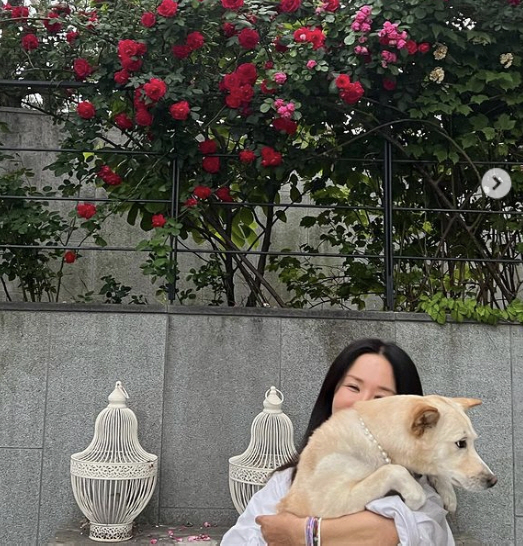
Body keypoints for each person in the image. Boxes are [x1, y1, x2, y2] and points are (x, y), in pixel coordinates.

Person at [221, 338, 455, 546]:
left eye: (381, 397)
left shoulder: (421, 492)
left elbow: (409, 532)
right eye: (353, 387)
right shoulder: (286, 481)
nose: (361, 404)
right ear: (332, 392)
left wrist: (302, 532)